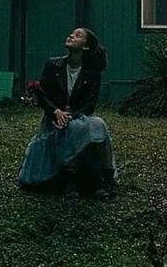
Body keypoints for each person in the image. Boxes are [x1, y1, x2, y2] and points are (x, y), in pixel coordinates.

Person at [17, 27, 117, 197]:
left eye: (78, 35)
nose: (71, 35)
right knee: (66, 128)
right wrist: (56, 112)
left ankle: (106, 179)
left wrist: (70, 116)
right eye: (71, 33)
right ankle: (69, 180)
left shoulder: (92, 73)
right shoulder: (53, 64)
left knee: (98, 125)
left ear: (85, 47)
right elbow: (42, 95)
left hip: (79, 117)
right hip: (53, 119)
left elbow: (89, 104)